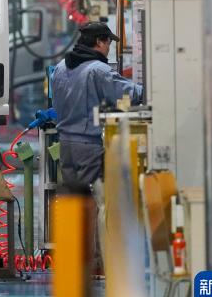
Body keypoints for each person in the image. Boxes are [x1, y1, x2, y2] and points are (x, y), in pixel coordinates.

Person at [51, 21, 143, 189]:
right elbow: (130, 93)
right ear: (99, 42)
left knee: (73, 197)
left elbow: (56, 105)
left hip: (65, 145)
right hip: (87, 147)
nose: (109, 48)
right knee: (93, 197)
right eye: (108, 43)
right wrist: (153, 89)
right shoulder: (98, 70)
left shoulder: (60, 67)